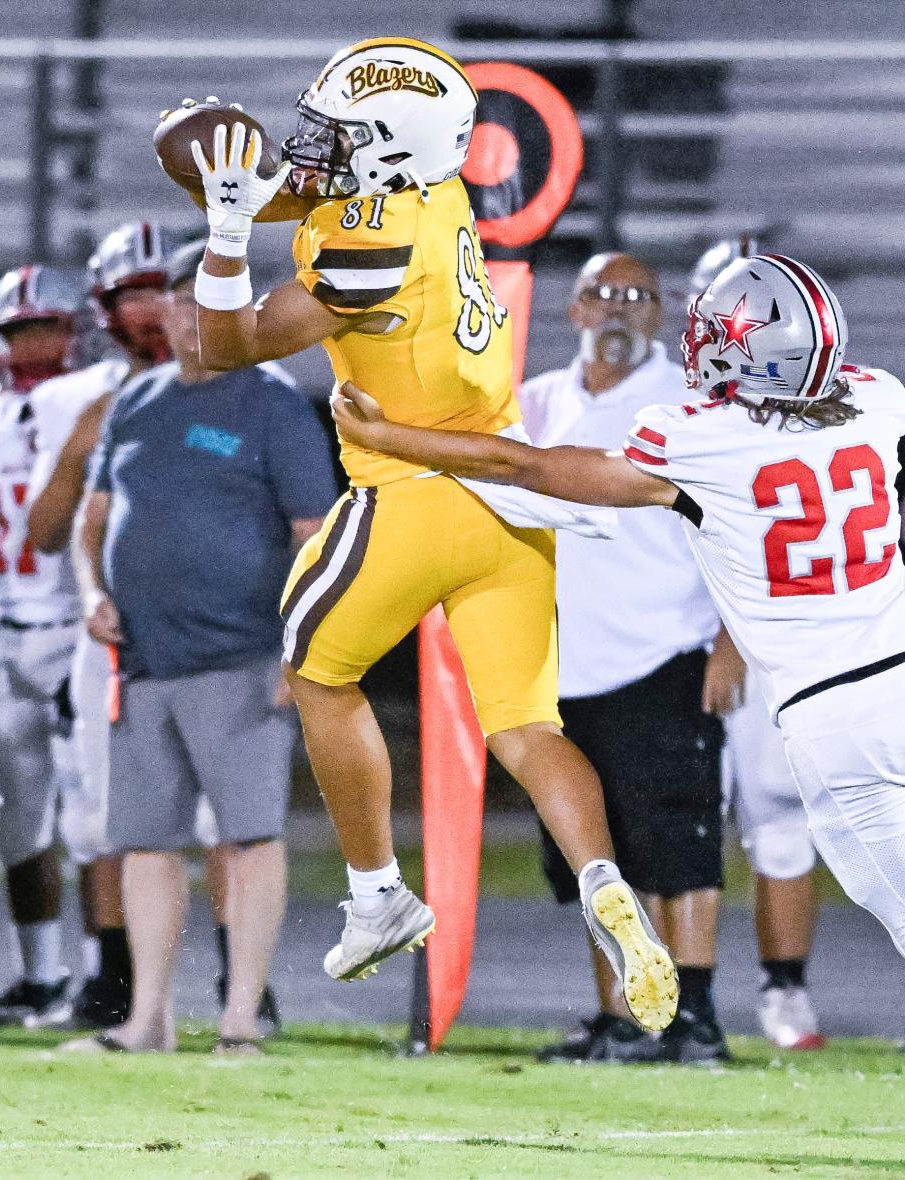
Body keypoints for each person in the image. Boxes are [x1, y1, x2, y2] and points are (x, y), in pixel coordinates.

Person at [179, 37, 678, 1032]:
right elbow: (318, 185)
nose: (319, 145)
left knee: (317, 671)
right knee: (530, 731)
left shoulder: (364, 247)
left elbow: (217, 345)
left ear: (387, 148)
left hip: (411, 491)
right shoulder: (438, 193)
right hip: (508, 509)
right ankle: (604, 876)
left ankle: (379, 894)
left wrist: (227, 237)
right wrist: (228, 177)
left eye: (342, 132)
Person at [332, 252, 905, 973]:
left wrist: (388, 440)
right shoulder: (881, 400)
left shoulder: (702, 440)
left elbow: (528, 468)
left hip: (834, 719)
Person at [75, 240, 336, 1052]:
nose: (191, 315)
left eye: (210, 302)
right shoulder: (139, 399)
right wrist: (93, 596)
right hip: (144, 662)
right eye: (182, 300)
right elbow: (93, 523)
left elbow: (316, 534)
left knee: (248, 837)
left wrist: (303, 646)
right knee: (145, 845)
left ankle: (239, 1019)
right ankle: (147, 1018)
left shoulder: (274, 403)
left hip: (241, 656)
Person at [522, 253, 743, 1064]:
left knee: (678, 842)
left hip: (665, 649)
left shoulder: (692, 407)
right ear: (574, 310)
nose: (618, 309)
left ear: (661, 315)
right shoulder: (535, 401)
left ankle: (696, 1019)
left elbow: (734, 530)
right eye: (601, 295)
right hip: (557, 664)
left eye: (637, 296)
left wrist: (729, 640)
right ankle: (624, 1017)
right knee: (594, 852)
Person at [26, 222, 234, 1030]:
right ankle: (115, 985)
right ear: (104, 309)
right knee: (105, 814)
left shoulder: (244, 386)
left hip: (216, 630)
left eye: (164, 292)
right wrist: (81, 455)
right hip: (110, 634)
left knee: (226, 816)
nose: (152, 312)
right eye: (134, 294)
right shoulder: (69, 403)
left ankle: (240, 988)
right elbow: (44, 533)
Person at [692, 237, 825, 1050]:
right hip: (658, 644)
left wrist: (732, 635)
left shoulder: (816, 410)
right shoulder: (660, 400)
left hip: (773, 641)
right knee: (678, 825)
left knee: (784, 818)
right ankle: (679, 996)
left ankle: (783, 990)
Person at [0, 265, 86, 1027]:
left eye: (46, 328)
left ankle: (105, 982)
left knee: (94, 820)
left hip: (77, 631)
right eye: (16, 331)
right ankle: (40, 977)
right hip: (13, 637)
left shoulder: (97, 403)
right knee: (16, 818)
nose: (31, 345)